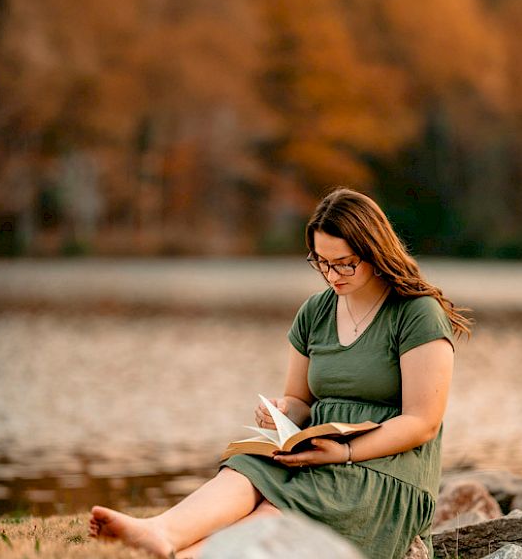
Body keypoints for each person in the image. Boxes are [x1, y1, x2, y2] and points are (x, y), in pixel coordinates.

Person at [88, 188, 471, 559]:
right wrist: (282, 412)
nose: (332, 274)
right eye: (321, 261)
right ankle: (162, 532)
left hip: (388, 470)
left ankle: (188, 556)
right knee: (249, 464)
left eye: (344, 262)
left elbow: (423, 422)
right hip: (320, 453)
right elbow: (301, 401)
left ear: (375, 251)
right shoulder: (315, 312)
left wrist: (346, 452)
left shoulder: (416, 313)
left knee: (289, 504)